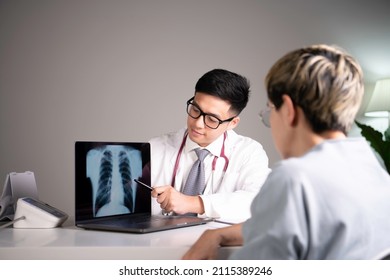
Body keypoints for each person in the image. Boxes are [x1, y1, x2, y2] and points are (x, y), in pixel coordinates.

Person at [182, 44, 390, 260]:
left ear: (289, 110)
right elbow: (280, 225)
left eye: (271, 109)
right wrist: (218, 235)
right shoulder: (369, 163)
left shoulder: (294, 178)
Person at [149, 69, 270, 222]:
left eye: (212, 119)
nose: (198, 124)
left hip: (218, 245)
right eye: (195, 110)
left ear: (232, 123)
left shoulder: (249, 153)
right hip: (158, 244)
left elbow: (258, 202)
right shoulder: (154, 148)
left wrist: (193, 203)